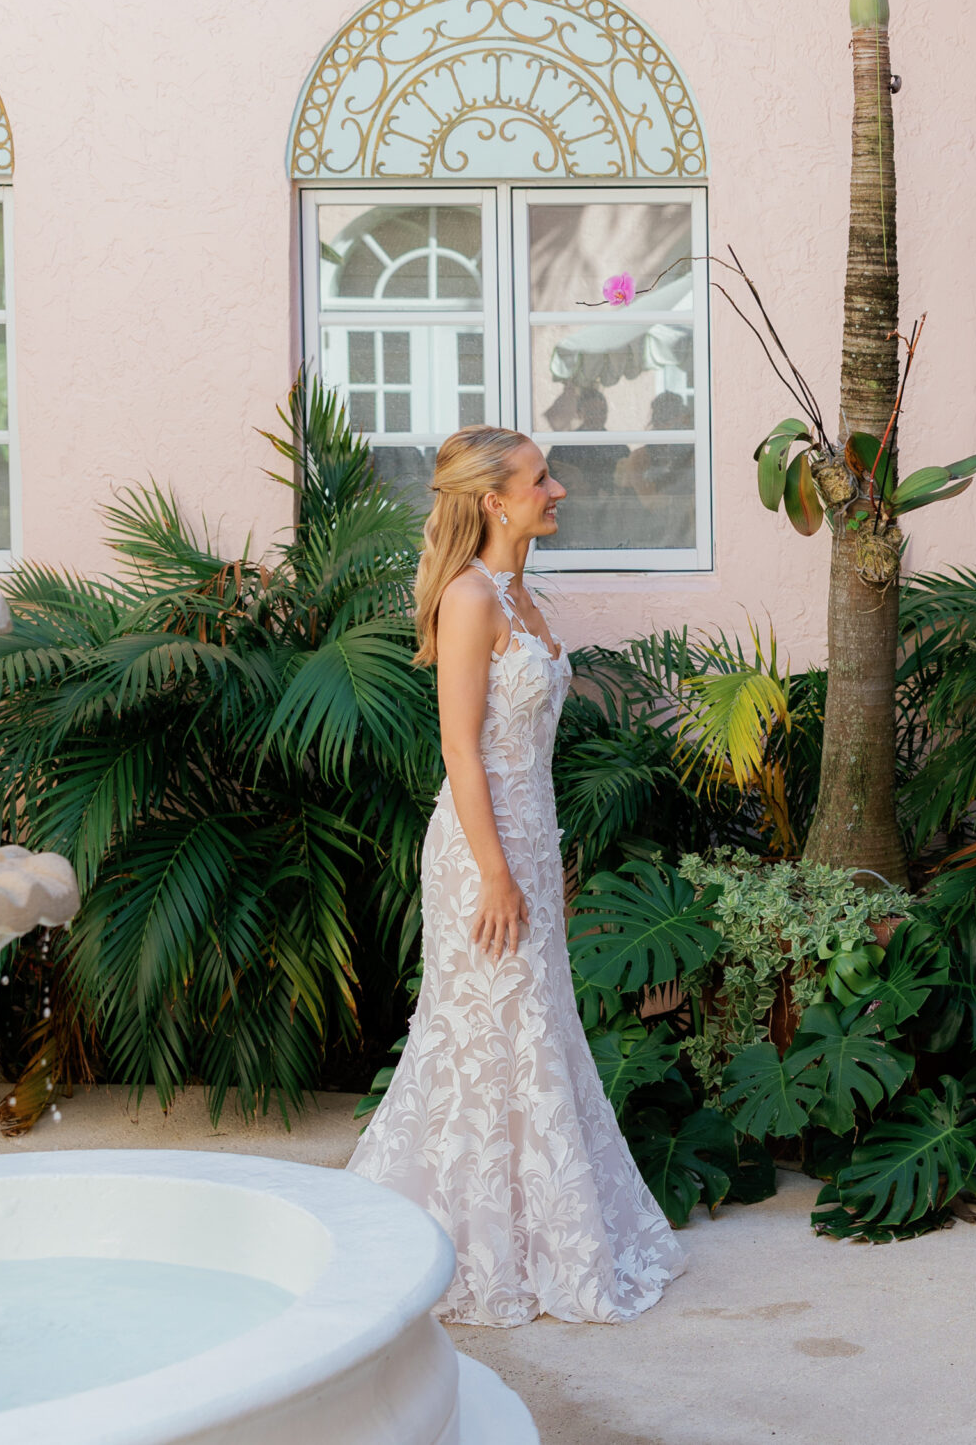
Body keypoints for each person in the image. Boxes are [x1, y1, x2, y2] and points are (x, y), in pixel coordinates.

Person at [349, 424, 686, 1324]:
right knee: (484, 1035)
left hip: (528, 837)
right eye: (542, 478)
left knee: (530, 1032)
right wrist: (497, 874)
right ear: (495, 500)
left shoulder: (522, 594)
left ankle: (534, 1227)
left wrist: (538, 859)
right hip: (479, 848)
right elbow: (461, 748)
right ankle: (470, 1245)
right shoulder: (469, 598)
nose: (559, 489)